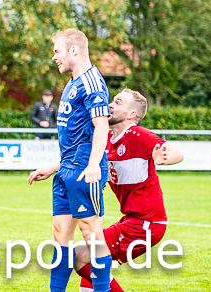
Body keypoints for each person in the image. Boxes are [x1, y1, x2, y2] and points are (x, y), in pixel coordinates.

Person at [72, 88, 184, 291]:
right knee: (91, 261)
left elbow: (175, 152)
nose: (110, 105)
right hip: (131, 220)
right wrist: (51, 168)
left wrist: (165, 156)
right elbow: (81, 161)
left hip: (146, 224)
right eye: (112, 100)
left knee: (80, 257)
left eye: (118, 102)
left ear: (132, 114)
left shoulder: (137, 135)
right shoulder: (105, 138)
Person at [27, 28, 113, 292]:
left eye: (57, 51)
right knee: (60, 235)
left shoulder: (92, 82)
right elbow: (76, 137)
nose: (54, 57)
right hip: (67, 170)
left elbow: (101, 126)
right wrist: (55, 167)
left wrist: (92, 165)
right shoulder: (73, 83)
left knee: (91, 234)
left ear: (73, 50)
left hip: (85, 171)